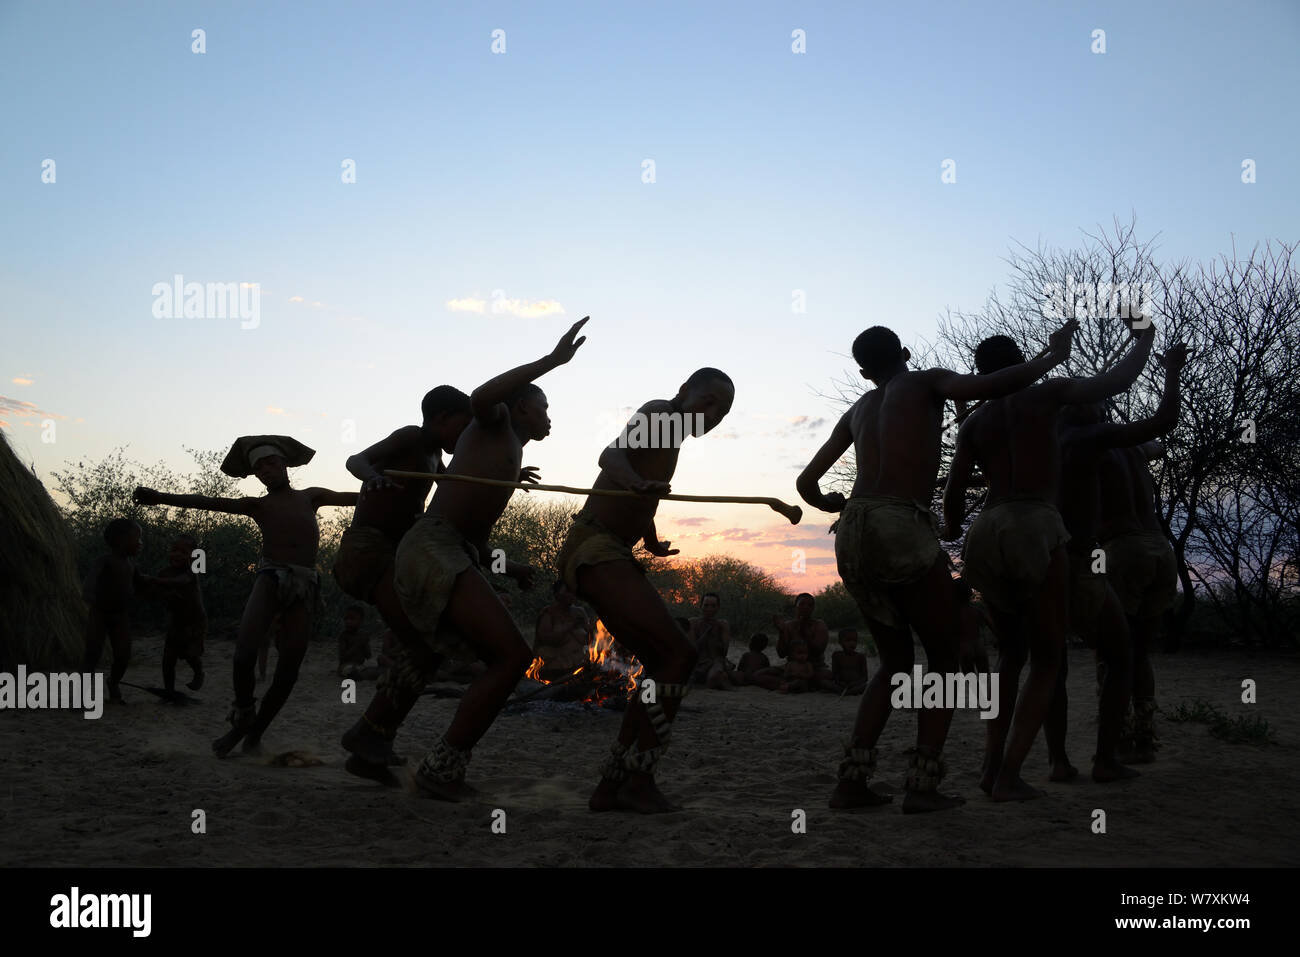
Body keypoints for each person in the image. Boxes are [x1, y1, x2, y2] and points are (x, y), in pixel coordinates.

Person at [798, 320, 1076, 812]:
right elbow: (995, 385)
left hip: (853, 531)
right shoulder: (927, 381)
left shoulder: (858, 409)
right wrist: (1053, 358)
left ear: (864, 372)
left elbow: (806, 482)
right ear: (905, 351)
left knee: (895, 663)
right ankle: (922, 787)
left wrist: (827, 501)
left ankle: (852, 783)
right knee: (944, 658)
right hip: (899, 522)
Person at [348, 319, 587, 798]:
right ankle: (442, 769)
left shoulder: (506, 450)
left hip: (451, 550)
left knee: (430, 651)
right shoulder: (491, 421)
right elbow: (481, 395)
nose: (550, 417)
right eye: (544, 407)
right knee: (512, 656)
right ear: (520, 406)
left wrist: (508, 566)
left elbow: (469, 533)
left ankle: (371, 735)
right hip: (431, 546)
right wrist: (552, 361)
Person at [942, 320, 1155, 799]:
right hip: (1034, 525)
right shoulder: (1048, 396)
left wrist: (952, 527)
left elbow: (954, 496)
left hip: (986, 529)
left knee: (1011, 655)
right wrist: (1143, 339)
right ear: (1020, 363)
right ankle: (1010, 776)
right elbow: (1117, 380)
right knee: (1050, 657)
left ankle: (990, 766)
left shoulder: (974, 423)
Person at [557, 367, 734, 813]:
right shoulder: (661, 413)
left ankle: (614, 784)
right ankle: (636, 779)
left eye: (724, 411)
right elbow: (610, 457)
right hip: (596, 546)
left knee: (665, 659)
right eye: (709, 401)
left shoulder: (671, 436)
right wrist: (634, 483)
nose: (714, 414)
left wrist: (649, 534)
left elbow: (641, 488)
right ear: (682, 391)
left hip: (612, 547)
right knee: (679, 655)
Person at [134, 434, 357, 756]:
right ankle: (242, 715)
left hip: (304, 584)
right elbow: (208, 502)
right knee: (242, 655)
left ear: (284, 464)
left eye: (270, 463)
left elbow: (356, 497)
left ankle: (254, 734)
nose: (265, 471)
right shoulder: (259, 505)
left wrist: (385, 488)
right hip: (270, 577)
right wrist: (161, 497)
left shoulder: (312, 496)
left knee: (289, 667)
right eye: (258, 469)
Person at [1094, 350, 1189, 765]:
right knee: (1139, 651)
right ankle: (1145, 737)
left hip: (1123, 549)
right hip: (1159, 550)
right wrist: (1170, 373)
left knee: (1112, 653)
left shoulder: (1082, 448)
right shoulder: (1133, 447)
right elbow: (1160, 443)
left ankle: (1115, 737)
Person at [83, 518, 149, 703]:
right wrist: (88, 592)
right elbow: (91, 578)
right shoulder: (105, 561)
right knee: (92, 654)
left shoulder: (131, 565)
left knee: (123, 654)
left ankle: (113, 682)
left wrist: (161, 587)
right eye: (138, 538)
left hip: (120, 616)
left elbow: (141, 582)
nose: (141, 543)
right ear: (121, 540)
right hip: (100, 614)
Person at [156, 533, 206, 695]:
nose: (177, 554)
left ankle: (199, 672)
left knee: (190, 654)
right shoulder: (164, 572)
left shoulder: (192, 572)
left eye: (183, 552)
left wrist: (157, 582)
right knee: (168, 660)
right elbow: (157, 594)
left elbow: (181, 581)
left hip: (194, 622)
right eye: (174, 550)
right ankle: (169, 690)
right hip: (175, 623)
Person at [533, 581, 593, 680]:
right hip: (555, 670)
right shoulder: (548, 613)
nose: (571, 594)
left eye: (572, 591)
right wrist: (570, 626)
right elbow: (546, 639)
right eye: (567, 591)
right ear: (557, 595)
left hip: (578, 667)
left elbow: (588, 640)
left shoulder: (579, 612)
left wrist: (593, 630)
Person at [772, 594, 832, 688]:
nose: (806, 607)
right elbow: (781, 654)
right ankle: (794, 685)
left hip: (813, 668)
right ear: (796, 606)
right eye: (802, 604)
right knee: (759, 675)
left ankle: (792, 685)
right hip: (791, 668)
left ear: (813, 608)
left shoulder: (819, 625)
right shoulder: (788, 626)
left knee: (826, 676)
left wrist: (805, 633)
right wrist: (781, 632)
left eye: (810, 605)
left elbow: (818, 652)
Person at [689, 592, 737, 689]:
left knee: (714, 676)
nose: (709, 609)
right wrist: (705, 634)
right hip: (697, 662)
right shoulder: (693, 623)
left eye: (713, 606)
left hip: (715, 662)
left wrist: (714, 635)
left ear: (718, 607)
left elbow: (724, 652)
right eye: (706, 605)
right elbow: (692, 649)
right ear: (701, 606)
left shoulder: (722, 624)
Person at [337, 604, 374, 678]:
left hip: (359, 665)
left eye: (352, 619)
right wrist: (358, 644)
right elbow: (343, 657)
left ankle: (358, 674)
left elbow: (368, 655)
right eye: (346, 619)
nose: (348, 621)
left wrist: (365, 644)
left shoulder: (363, 635)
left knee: (369, 671)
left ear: (361, 621)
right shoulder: (344, 636)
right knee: (348, 670)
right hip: (345, 665)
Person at [831, 629, 869, 695]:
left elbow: (865, 678)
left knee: (867, 685)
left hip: (856, 685)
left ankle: (848, 692)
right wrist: (839, 682)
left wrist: (854, 684)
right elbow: (835, 674)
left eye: (854, 640)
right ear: (840, 642)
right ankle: (847, 692)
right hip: (841, 685)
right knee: (825, 683)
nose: (852, 643)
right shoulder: (837, 655)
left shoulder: (861, 657)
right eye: (848, 640)